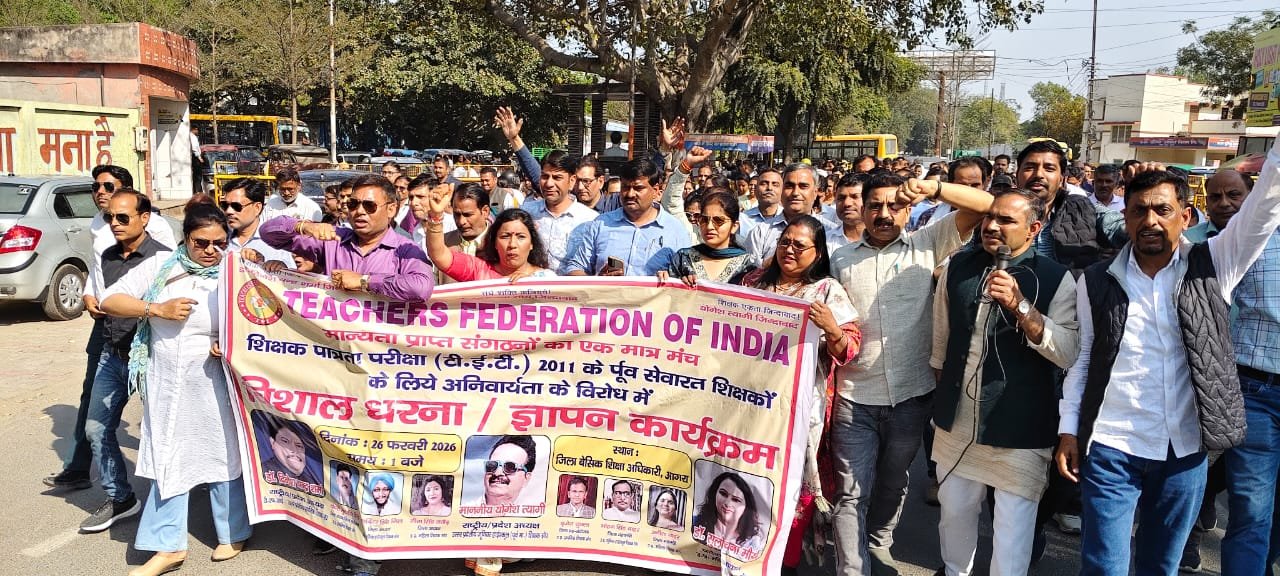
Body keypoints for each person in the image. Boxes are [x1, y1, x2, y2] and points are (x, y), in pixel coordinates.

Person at [1057, 140, 1280, 576]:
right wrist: (1068, 429)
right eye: (1139, 211)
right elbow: (1083, 360)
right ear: (1125, 218)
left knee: (1162, 565)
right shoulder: (1096, 281)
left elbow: (1264, 209)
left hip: (1184, 449)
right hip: (1112, 444)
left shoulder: (1216, 262)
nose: (1150, 221)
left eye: (1162, 210)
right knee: (1104, 566)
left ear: (1186, 216)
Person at [827, 172, 995, 576]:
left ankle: (878, 544)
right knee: (851, 494)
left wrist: (933, 189)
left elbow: (987, 205)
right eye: (875, 206)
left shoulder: (928, 244)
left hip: (911, 396)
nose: (884, 214)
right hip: (853, 396)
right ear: (861, 211)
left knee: (892, 482)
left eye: (895, 206)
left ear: (908, 210)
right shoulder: (839, 259)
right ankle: (855, 569)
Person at [930, 189, 1080, 576]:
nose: (992, 226)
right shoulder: (958, 267)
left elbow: (1066, 351)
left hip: (1021, 427)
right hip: (958, 424)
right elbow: (941, 342)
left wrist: (1020, 306)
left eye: (1006, 220)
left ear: (1034, 228)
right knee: (954, 514)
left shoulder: (1055, 278)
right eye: (990, 217)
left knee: (1013, 532)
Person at [99, 204, 251, 575]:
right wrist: (156, 309)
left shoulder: (236, 268)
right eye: (202, 242)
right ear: (186, 238)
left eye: (220, 242)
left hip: (217, 380)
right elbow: (110, 301)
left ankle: (233, 531)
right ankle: (168, 547)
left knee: (223, 454)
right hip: (167, 381)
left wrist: (233, 343)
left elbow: (259, 316)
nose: (211, 250)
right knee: (168, 457)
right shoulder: (160, 267)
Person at [736, 216, 861, 572]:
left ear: (817, 252)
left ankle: (785, 561)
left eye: (799, 245)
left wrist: (832, 328)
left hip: (801, 407)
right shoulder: (754, 282)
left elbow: (848, 349)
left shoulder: (826, 292)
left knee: (795, 484)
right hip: (750, 399)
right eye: (784, 242)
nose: (789, 250)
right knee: (748, 474)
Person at [44, 165, 175, 494]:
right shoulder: (98, 224)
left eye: (107, 186)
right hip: (107, 330)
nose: (99, 192)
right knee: (93, 408)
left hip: (145, 335)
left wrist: (144, 308)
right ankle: (82, 471)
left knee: (160, 415)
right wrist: (90, 293)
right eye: (95, 187)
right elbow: (98, 269)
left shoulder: (155, 227)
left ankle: (176, 482)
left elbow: (164, 274)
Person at [79, 188, 174, 534]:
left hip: (150, 358)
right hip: (111, 352)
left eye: (123, 217)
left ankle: (170, 503)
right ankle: (120, 498)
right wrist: (91, 297)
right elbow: (100, 290)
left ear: (145, 218)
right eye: (109, 217)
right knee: (96, 428)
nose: (114, 224)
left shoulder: (165, 260)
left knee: (159, 434)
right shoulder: (105, 254)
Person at [260, 174, 434, 302]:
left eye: (369, 205)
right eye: (353, 204)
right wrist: (303, 226)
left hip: (379, 347)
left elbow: (421, 288)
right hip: (334, 346)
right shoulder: (331, 240)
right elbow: (268, 234)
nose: (359, 211)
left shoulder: (406, 249)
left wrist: (365, 281)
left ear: (391, 209)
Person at [563, 157, 691, 276]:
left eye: (638, 188)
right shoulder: (601, 224)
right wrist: (599, 280)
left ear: (656, 191)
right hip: (607, 299)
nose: (630, 194)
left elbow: (688, 275)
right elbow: (575, 267)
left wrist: (671, 278)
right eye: (625, 187)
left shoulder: (675, 230)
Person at [422, 194, 554, 282]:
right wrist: (435, 216)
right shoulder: (479, 270)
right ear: (495, 242)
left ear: (532, 243)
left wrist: (533, 285)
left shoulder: (547, 279)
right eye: (505, 236)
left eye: (521, 237)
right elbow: (439, 255)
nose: (512, 244)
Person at [467, 435, 540, 576]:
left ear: (526, 478)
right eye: (492, 465)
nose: (497, 472)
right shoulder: (463, 511)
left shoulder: (534, 517)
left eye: (510, 467)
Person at [743, 163, 838, 264]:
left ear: (815, 192)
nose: (795, 193)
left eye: (803, 186)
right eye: (789, 186)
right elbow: (750, 273)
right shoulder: (760, 232)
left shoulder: (831, 233)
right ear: (782, 190)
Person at [659, 190, 756, 286]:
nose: (709, 227)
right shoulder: (683, 258)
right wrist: (667, 280)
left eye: (718, 221)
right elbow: (670, 297)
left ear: (734, 226)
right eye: (704, 220)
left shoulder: (747, 266)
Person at [415, 183, 490, 285]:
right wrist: (436, 214)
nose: (461, 221)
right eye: (457, 214)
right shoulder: (443, 243)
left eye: (468, 215)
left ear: (485, 211)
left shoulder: (500, 242)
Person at [219, 178, 294, 268]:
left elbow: (292, 277)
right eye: (225, 205)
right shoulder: (218, 237)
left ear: (257, 208)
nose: (229, 211)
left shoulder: (278, 242)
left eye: (236, 206)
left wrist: (279, 267)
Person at [692, 472, 765, 561]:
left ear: (746, 506)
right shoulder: (695, 523)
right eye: (723, 494)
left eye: (735, 500)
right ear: (715, 493)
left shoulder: (752, 541)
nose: (727, 503)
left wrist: (731, 528)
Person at [259, 415, 321, 488]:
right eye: (285, 441)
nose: (294, 450)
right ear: (273, 442)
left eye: (299, 445)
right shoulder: (262, 471)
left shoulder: (312, 483)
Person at [738, 168, 785, 240]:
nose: (769, 188)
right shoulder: (743, 218)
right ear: (756, 189)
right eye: (764, 184)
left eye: (775, 184)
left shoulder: (788, 220)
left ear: (782, 190)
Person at [826, 173, 867, 253]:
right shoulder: (825, 242)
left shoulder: (884, 241)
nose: (847, 203)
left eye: (855, 197)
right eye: (841, 198)